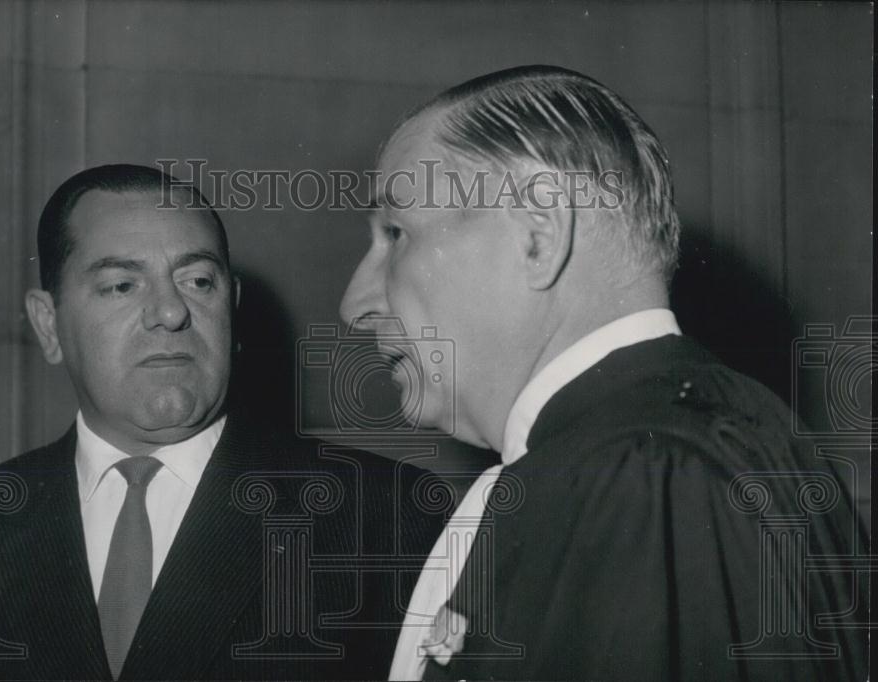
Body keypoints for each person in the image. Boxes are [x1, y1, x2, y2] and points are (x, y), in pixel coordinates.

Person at [340, 66, 867, 681]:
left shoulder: (645, 473)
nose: (356, 304)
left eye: (396, 234)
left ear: (539, 234)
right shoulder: (657, 449)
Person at [0, 164, 443, 680]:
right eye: (121, 286)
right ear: (48, 324)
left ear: (233, 307)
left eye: (199, 281)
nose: (172, 311)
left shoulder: (390, 515)